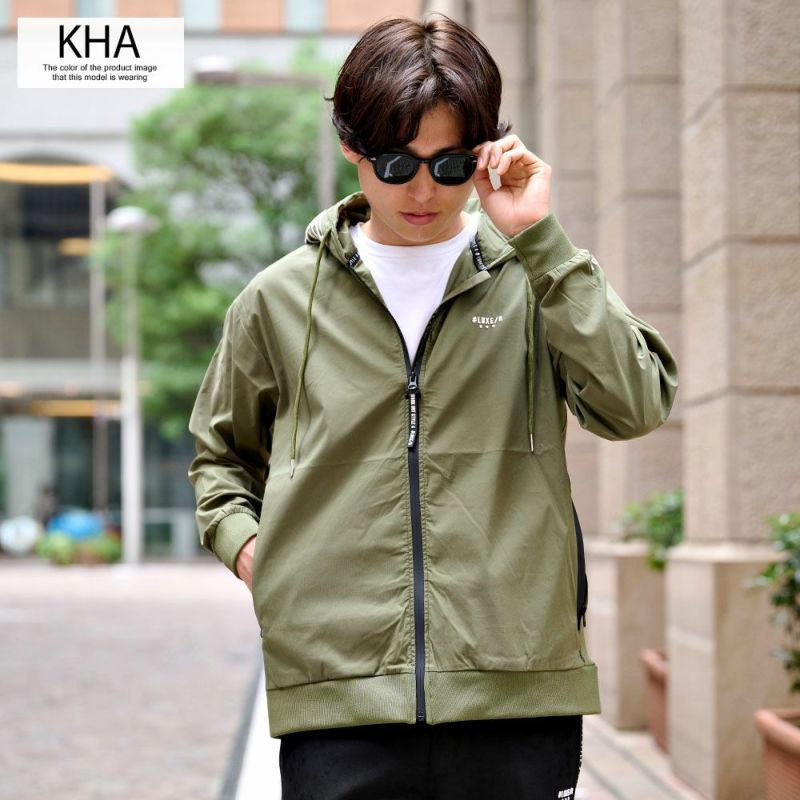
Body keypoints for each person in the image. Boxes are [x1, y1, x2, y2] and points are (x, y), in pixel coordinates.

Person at [188, 14, 679, 799]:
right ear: (351, 147)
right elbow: (220, 459)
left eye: (449, 165)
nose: (422, 190)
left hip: (517, 692)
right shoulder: (277, 301)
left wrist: (543, 242)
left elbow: (638, 403)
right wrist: (256, 553)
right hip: (338, 696)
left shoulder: (533, 277)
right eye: (396, 163)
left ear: (484, 153)